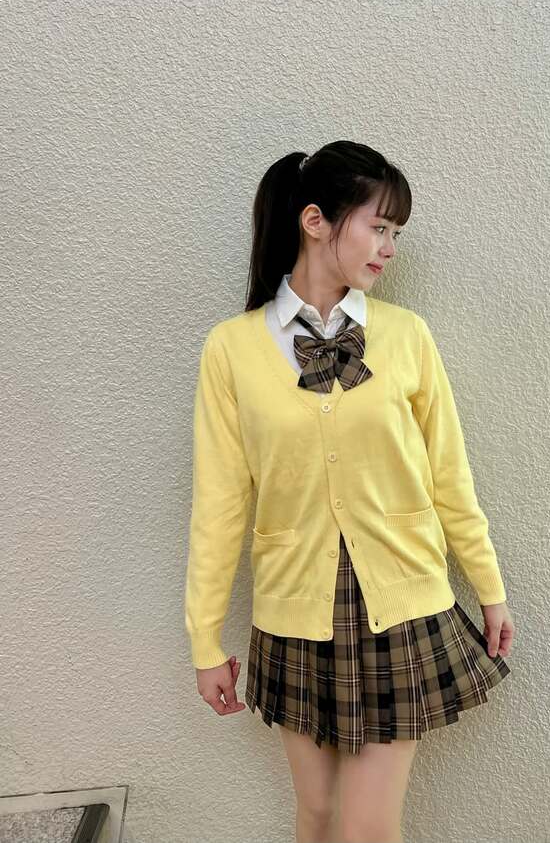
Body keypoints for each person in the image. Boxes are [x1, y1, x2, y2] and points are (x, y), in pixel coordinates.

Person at [184, 139, 516, 843]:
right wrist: (204, 639)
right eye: (380, 226)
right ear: (315, 221)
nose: (390, 248)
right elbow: (219, 505)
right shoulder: (231, 349)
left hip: (401, 603)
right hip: (293, 608)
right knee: (317, 815)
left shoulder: (406, 336)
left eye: (397, 232)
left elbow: (449, 475)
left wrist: (489, 586)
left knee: (366, 826)